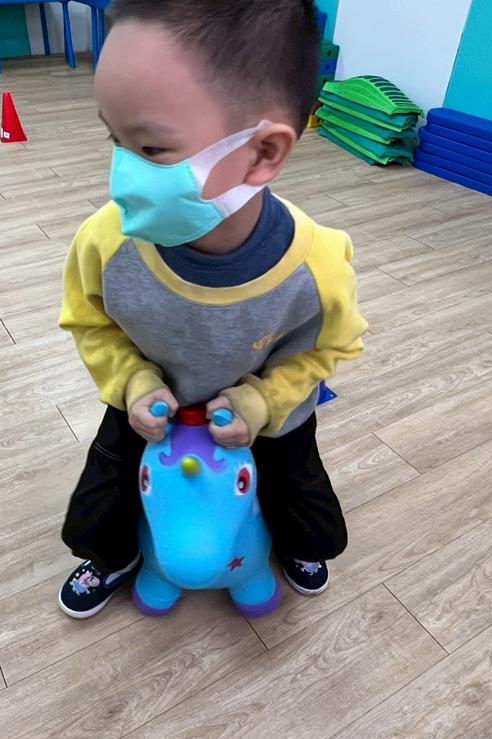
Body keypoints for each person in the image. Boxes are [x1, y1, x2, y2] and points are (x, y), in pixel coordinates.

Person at [57, 0, 367, 618]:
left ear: (263, 152)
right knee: (101, 497)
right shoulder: (105, 241)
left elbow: (327, 349)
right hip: (150, 410)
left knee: (301, 498)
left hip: (265, 416)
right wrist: (132, 381)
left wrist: (264, 402)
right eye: (115, 139)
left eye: (151, 147)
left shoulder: (318, 265)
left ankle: (292, 543)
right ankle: (115, 555)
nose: (122, 176)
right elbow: (90, 322)